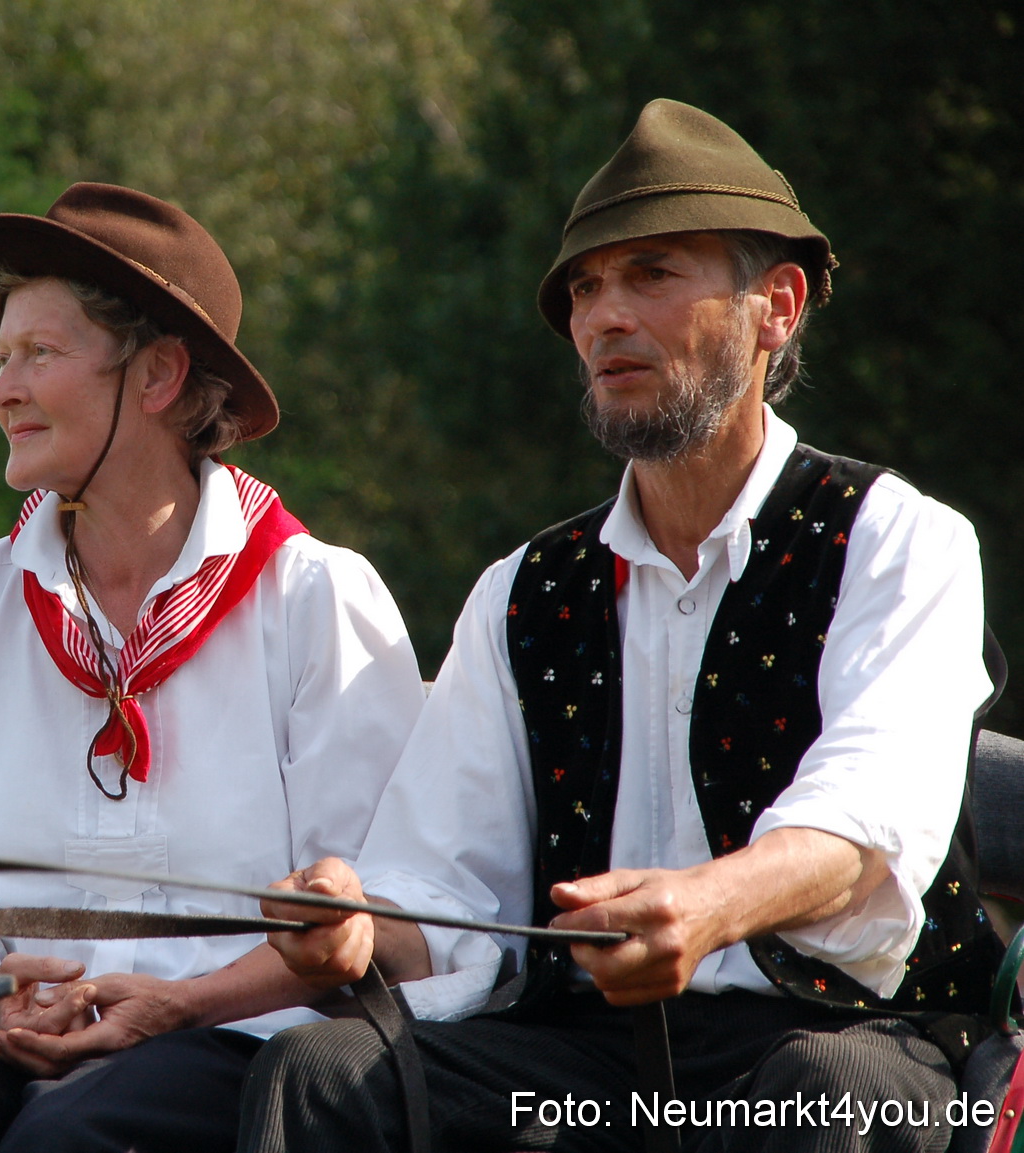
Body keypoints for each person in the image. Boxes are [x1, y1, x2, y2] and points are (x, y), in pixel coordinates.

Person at [241, 100, 999, 1153]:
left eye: (651, 274)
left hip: (840, 1035)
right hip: (584, 1072)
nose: (604, 316)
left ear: (776, 306)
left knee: (829, 1094)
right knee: (319, 1073)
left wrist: (708, 905)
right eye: (586, 289)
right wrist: (361, 928)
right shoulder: (524, 591)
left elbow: (867, 818)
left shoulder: (896, 540)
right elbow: (446, 886)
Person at [0, 183, 424, 1153]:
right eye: (2, 357)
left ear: (159, 374)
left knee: (78, 1133)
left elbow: (372, 916)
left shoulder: (314, 602)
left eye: (39, 354)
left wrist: (177, 1002)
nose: (2, 390)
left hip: (223, 1026)